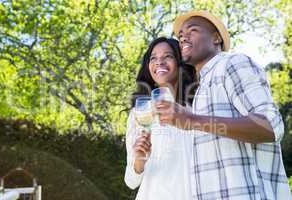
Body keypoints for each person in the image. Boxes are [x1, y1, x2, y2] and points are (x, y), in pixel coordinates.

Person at [154, 10, 292, 199]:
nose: (183, 37)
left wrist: (191, 120)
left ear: (216, 38)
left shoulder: (232, 63)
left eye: (192, 30)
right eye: (180, 36)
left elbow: (271, 126)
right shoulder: (202, 88)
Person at [124, 37, 198, 199]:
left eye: (168, 56)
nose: (159, 62)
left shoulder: (198, 107)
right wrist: (139, 160)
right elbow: (131, 181)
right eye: (153, 58)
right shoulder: (140, 112)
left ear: (180, 63)